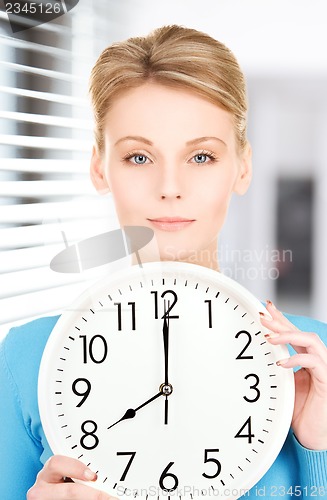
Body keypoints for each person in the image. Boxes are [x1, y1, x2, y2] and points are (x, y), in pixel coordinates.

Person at [0, 24, 326, 500]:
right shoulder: (26, 361)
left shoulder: (315, 363)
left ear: (243, 166)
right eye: (138, 157)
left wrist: (316, 450)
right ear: (98, 167)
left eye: (200, 157)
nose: (170, 186)